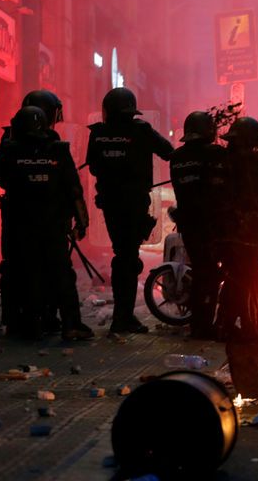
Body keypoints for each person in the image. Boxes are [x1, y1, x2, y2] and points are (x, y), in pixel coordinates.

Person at [0, 106, 93, 340]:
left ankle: (31, 326)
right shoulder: (59, 150)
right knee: (62, 274)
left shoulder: (11, 150)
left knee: (28, 273)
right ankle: (71, 325)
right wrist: (81, 224)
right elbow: (74, 189)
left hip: (20, 227)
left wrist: (6, 146)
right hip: (54, 225)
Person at [85, 88, 173, 336]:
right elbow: (168, 151)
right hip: (134, 204)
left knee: (123, 256)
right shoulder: (141, 131)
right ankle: (123, 319)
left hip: (112, 205)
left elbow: (92, 168)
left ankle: (123, 316)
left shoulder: (98, 134)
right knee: (128, 258)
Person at [0, 90, 68, 336]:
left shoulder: (10, 139)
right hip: (43, 215)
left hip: (17, 214)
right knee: (41, 266)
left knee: (18, 266)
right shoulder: (46, 140)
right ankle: (39, 318)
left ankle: (21, 319)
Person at [169, 111, 227, 339]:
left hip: (189, 223)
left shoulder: (177, 157)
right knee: (210, 275)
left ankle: (197, 323)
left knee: (202, 272)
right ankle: (203, 326)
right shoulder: (214, 154)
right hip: (211, 224)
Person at [217, 116, 258, 336]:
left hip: (227, 232)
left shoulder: (222, 160)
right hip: (244, 233)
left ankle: (227, 323)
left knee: (234, 278)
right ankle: (243, 325)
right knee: (247, 280)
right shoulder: (249, 165)